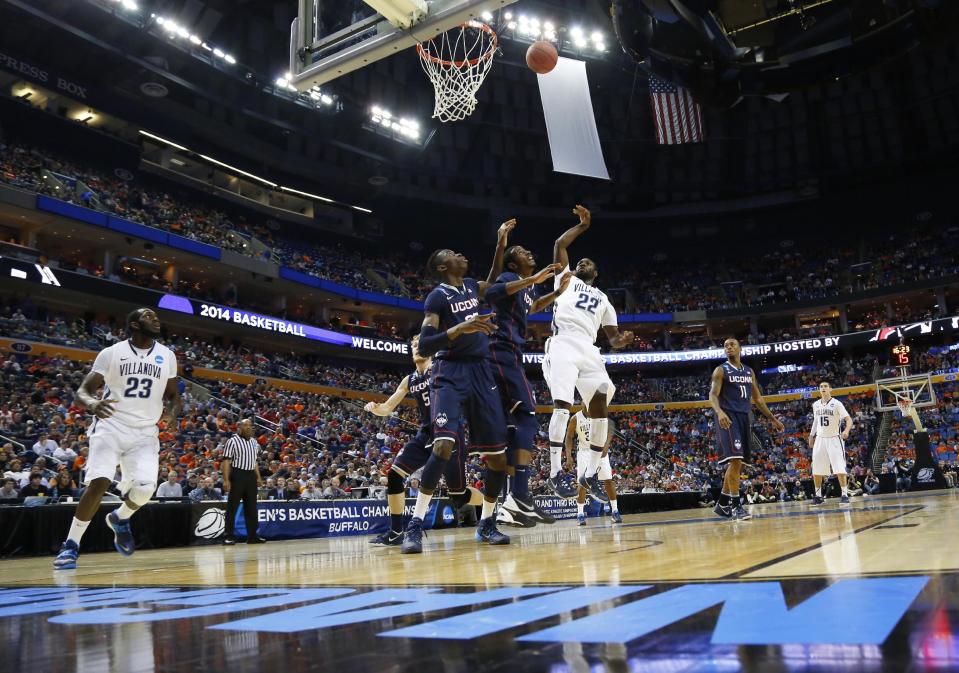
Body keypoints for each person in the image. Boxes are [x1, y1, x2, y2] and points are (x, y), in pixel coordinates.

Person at [402, 224, 518, 553]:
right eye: (453, 255)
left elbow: (493, 279)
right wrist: (461, 329)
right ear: (442, 267)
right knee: (441, 447)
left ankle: (487, 523)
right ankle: (415, 525)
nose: (460, 255)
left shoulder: (469, 286)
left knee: (497, 459)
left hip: (482, 373)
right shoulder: (437, 297)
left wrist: (499, 244)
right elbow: (425, 344)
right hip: (450, 372)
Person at [53, 308, 180, 570]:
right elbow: (84, 390)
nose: (155, 319)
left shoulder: (167, 356)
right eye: (148, 316)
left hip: (145, 432)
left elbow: (174, 395)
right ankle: (71, 546)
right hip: (111, 424)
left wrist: (174, 413)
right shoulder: (112, 353)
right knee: (99, 481)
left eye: (156, 316)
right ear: (134, 324)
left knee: (145, 490)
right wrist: (92, 404)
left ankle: (119, 518)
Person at [543, 205, 634, 503]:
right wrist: (583, 226)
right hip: (564, 342)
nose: (582, 262)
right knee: (562, 406)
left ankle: (590, 474)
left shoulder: (605, 299)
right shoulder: (565, 279)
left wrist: (623, 340)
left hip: (590, 350)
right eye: (580, 260)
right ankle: (556, 473)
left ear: (596, 273)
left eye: (588, 261)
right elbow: (559, 244)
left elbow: (613, 338)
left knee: (600, 409)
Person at [483, 220, 570, 528]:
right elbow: (491, 292)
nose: (529, 251)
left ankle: (514, 499)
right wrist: (528, 273)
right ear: (512, 262)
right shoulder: (509, 277)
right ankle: (518, 496)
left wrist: (557, 292)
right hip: (500, 351)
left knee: (511, 429)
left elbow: (530, 308)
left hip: (509, 354)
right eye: (521, 251)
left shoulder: (528, 287)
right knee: (528, 418)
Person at [363, 335, 481, 546]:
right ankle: (396, 532)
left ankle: (493, 502)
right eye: (414, 345)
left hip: (449, 432)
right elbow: (388, 408)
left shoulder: (440, 368)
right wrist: (375, 408)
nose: (416, 348)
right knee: (394, 476)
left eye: (420, 344)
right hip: (426, 433)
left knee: (459, 496)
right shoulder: (409, 380)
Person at [707, 337, 784, 521]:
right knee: (735, 461)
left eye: (732, 344)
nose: (728, 348)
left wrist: (772, 418)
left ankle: (722, 505)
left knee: (738, 463)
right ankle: (736, 507)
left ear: (740, 348)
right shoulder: (720, 370)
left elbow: (757, 399)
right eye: (725, 345)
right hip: (728, 417)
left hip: (744, 417)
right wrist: (719, 412)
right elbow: (712, 395)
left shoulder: (749, 372)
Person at [564, 406, 621, 525]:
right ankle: (580, 514)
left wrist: (606, 447)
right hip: (584, 452)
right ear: (582, 403)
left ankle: (615, 511)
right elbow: (569, 437)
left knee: (608, 481)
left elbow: (609, 430)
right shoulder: (575, 418)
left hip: (600, 451)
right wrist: (568, 457)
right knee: (582, 483)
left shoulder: (599, 413)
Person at [808, 381, 854, 506]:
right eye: (821, 387)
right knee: (817, 468)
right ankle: (818, 496)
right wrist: (811, 435)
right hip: (820, 439)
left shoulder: (837, 404)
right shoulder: (816, 404)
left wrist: (846, 430)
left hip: (834, 438)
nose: (823, 388)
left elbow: (849, 419)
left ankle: (844, 494)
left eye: (825, 386)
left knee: (839, 467)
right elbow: (816, 421)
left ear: (830, 389)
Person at [222, 418, 265, 545]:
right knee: (232, 507)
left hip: (250, 475)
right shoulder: (232, 441)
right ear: (239, 427)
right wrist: (226, 480)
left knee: (252, 507)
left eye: (249, 425)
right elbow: (226, 461)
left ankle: (252, 536)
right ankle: (228, 536)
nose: (248, 427)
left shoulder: (254, 442)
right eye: (245, 425)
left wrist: (258, 477)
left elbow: (255, 461)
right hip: (237, 474)